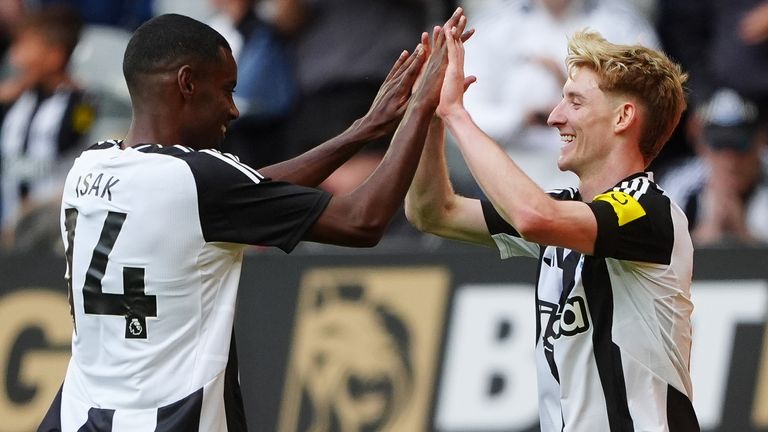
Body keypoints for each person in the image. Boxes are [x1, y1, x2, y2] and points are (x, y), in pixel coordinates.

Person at [37, 9, 466, 431]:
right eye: (226, 90)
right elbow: (363, 221)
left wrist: (364, 129)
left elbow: (246, 192)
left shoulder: (90, 166)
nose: (233, 109)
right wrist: (420, 108)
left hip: (78, 417)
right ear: (187, 83)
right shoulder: (198, 182)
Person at [406, 28, 700, 430]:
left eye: (575, 101)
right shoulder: (566, 209)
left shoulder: (648, 209)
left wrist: (457, 114)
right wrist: (428, 114)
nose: (554, 116)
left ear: (623, 117)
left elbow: (533, 216)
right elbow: (433, 212)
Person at [0, 5, 95, 252]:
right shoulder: (16, 102)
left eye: (26, 47)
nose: (16, 57)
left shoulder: (83, 104)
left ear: (55, 56)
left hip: (55, 229)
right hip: (9, 226)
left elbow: (68, 139)